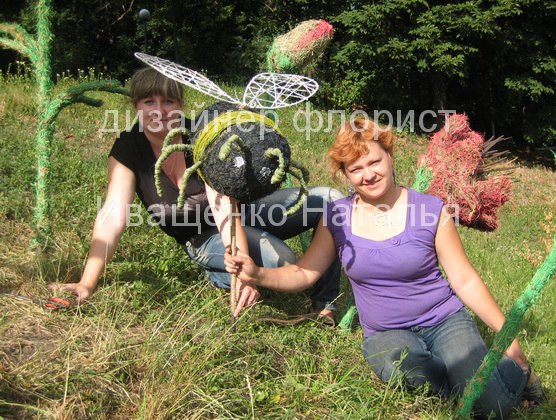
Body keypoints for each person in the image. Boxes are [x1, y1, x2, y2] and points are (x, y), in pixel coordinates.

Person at [224, 118, 542, 418]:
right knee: (405, 370)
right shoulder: (337, 217)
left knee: (490, 407)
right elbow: (305, 272)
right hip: (387, 333)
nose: (368, 175)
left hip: (444, 320)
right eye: (355, 168)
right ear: (345, 174)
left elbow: (465, 280)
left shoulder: (431, 210)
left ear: (389, 156)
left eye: (374, 162)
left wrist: (509, 342)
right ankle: (460, 381)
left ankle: (517, 373)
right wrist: (258, 274)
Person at [49, 67, 342, 317]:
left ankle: (325, 302)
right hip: (202, 237)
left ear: (181, 104)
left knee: (331, 201)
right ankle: (220, 273)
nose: (159, 110)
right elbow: (112, 216)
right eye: (149, 101)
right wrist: (87, 283)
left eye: (168, 101)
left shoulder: (202, 136)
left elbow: (223, 206)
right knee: (283, 260)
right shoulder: (129, 148)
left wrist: (244, 266)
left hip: (241, 211)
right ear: (136, 106)